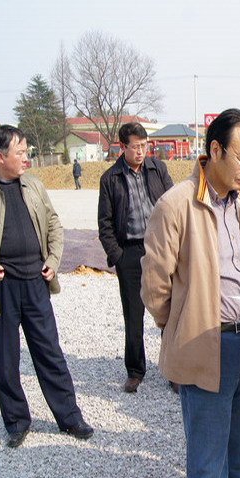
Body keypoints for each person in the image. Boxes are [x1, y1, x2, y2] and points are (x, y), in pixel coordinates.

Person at [140, 109, 240, 478]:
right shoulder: (176, 204)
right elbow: (154, 288)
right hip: (206, 344)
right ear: (215, 151)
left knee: (239, 463)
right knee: (208, 472)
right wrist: (181, 326)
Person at [0, 125, 93, 448]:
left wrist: (53, 260)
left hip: (36, 283)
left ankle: (70, 417)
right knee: (6, 359)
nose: (27, 158)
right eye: (20, 152)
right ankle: (16, 422)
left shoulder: (34, 185)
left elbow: (53, 223)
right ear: (0, 157)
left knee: (50, 353)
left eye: (27, 151)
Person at [97, 122, 173, 393]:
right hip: (129, 251)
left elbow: (173, 204)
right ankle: (135, 370)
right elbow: (105, 224)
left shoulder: (158, 169)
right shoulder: (111, 178)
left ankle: (173, 368)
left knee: (170, 309)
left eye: (144, 145)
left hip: (160, 248)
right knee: (133, 314)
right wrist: (117, 255)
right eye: (135, 147)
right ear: (122, 147)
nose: (141, 151)